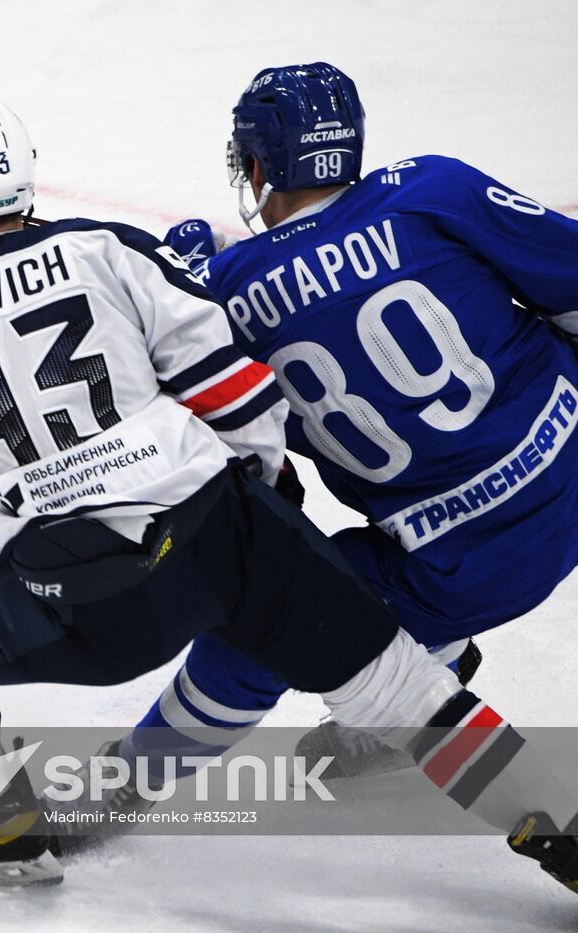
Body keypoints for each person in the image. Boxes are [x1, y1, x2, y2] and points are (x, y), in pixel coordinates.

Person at [0, 97, 578, 890]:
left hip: (78, 595)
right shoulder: (106, 250)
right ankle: (558, 824)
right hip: (225, 535)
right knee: (399, 684)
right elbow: (235, 395)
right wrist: (268, 508)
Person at [127, 61, 578, 796]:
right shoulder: (433, 187)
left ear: (260, 163)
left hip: (460, 568)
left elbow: (169, 428)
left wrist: (172, 284)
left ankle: (123, 781)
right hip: (571, 475)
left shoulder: (226, 298)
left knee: (266, 612)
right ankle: (431, 665)